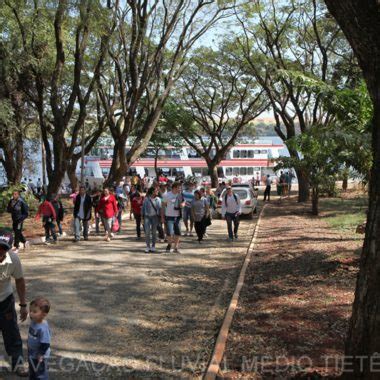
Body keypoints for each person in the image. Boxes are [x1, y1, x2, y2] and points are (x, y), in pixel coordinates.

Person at [0, 230, 28, 377]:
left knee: (12, 334)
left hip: (5, 301)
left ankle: (17, 364)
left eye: (3, 248)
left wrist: (23, 305)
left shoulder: (14, 260)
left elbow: (19, 280)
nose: (0, 252)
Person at [28, 297, 51, 380]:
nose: (31, 313)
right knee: (32, 371)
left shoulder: (43, 328)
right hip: (32, 353)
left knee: (41, 373)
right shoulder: (33, 321)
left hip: (40, 356)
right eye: (30, 310)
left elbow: (46, 343)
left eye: (34, 312)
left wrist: (41, 354)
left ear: (44, 314)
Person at [161, 182, 184, 253]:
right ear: (174, 188)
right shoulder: (167, 195)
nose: (180, 189)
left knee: (177, 232)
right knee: (169, 233)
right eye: (179, 188)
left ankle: (176, 247)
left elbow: (184, 202)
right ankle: (169, 244)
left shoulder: (180, 195)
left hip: (177, 217)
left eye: (180, 188)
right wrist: (162, 217)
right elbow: (162, 206)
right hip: (169, 216)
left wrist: (183, 205)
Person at [142, 187, 161, 253]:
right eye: (156, 190)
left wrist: (161, 217)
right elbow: (143, 209)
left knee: (154, 232)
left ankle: (153, 246)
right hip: (147, 217)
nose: (157, 191)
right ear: (152, 192)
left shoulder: (158, 199)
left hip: (155, 217)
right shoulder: (146, 199)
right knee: (147, 232)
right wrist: (142, 218)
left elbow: (160, 209)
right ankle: (147, 246)